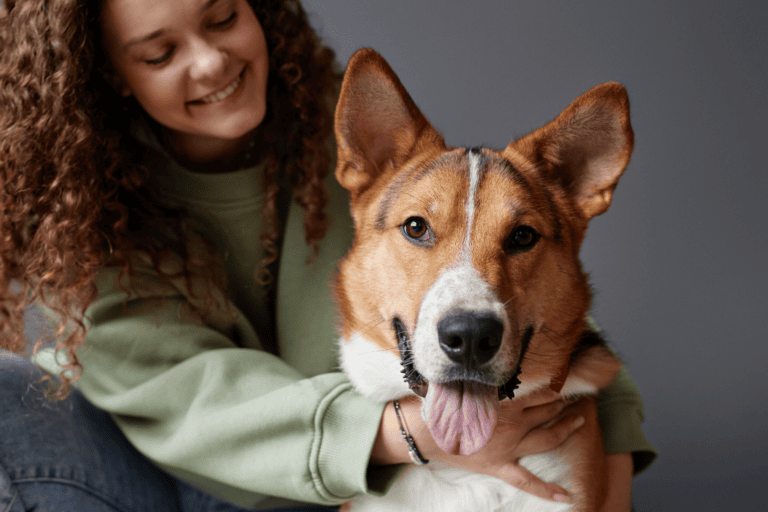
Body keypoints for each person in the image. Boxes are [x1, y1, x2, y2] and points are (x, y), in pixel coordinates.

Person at [0, 0, 656, 510]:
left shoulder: (350, 125)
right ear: (108, 75)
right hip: (170, 482)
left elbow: (510, 276)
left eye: (223, 17)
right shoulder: (79, 211)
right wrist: (404, 437)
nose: (209, 63)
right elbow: (189, 402)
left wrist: (610, 454)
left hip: (353, 480)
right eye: (159, 53)